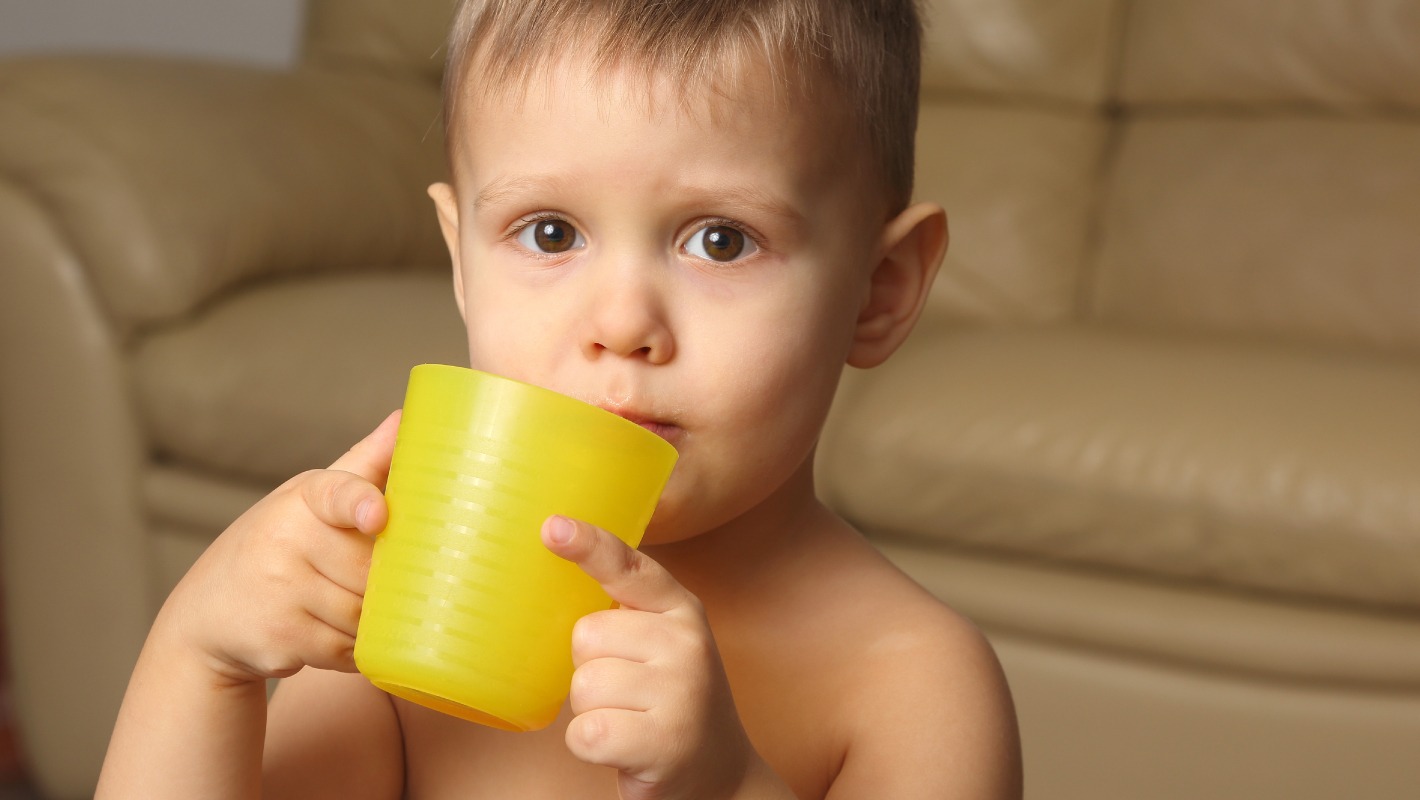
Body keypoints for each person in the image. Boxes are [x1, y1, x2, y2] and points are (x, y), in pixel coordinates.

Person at [97, 0, 1022, 796]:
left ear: (881, 289)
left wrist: (729, 784)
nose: (621, 323)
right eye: (550, 232)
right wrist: (197, 658)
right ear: (461, 263)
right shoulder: (415, 610)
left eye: (721, 242)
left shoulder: (911, 684)